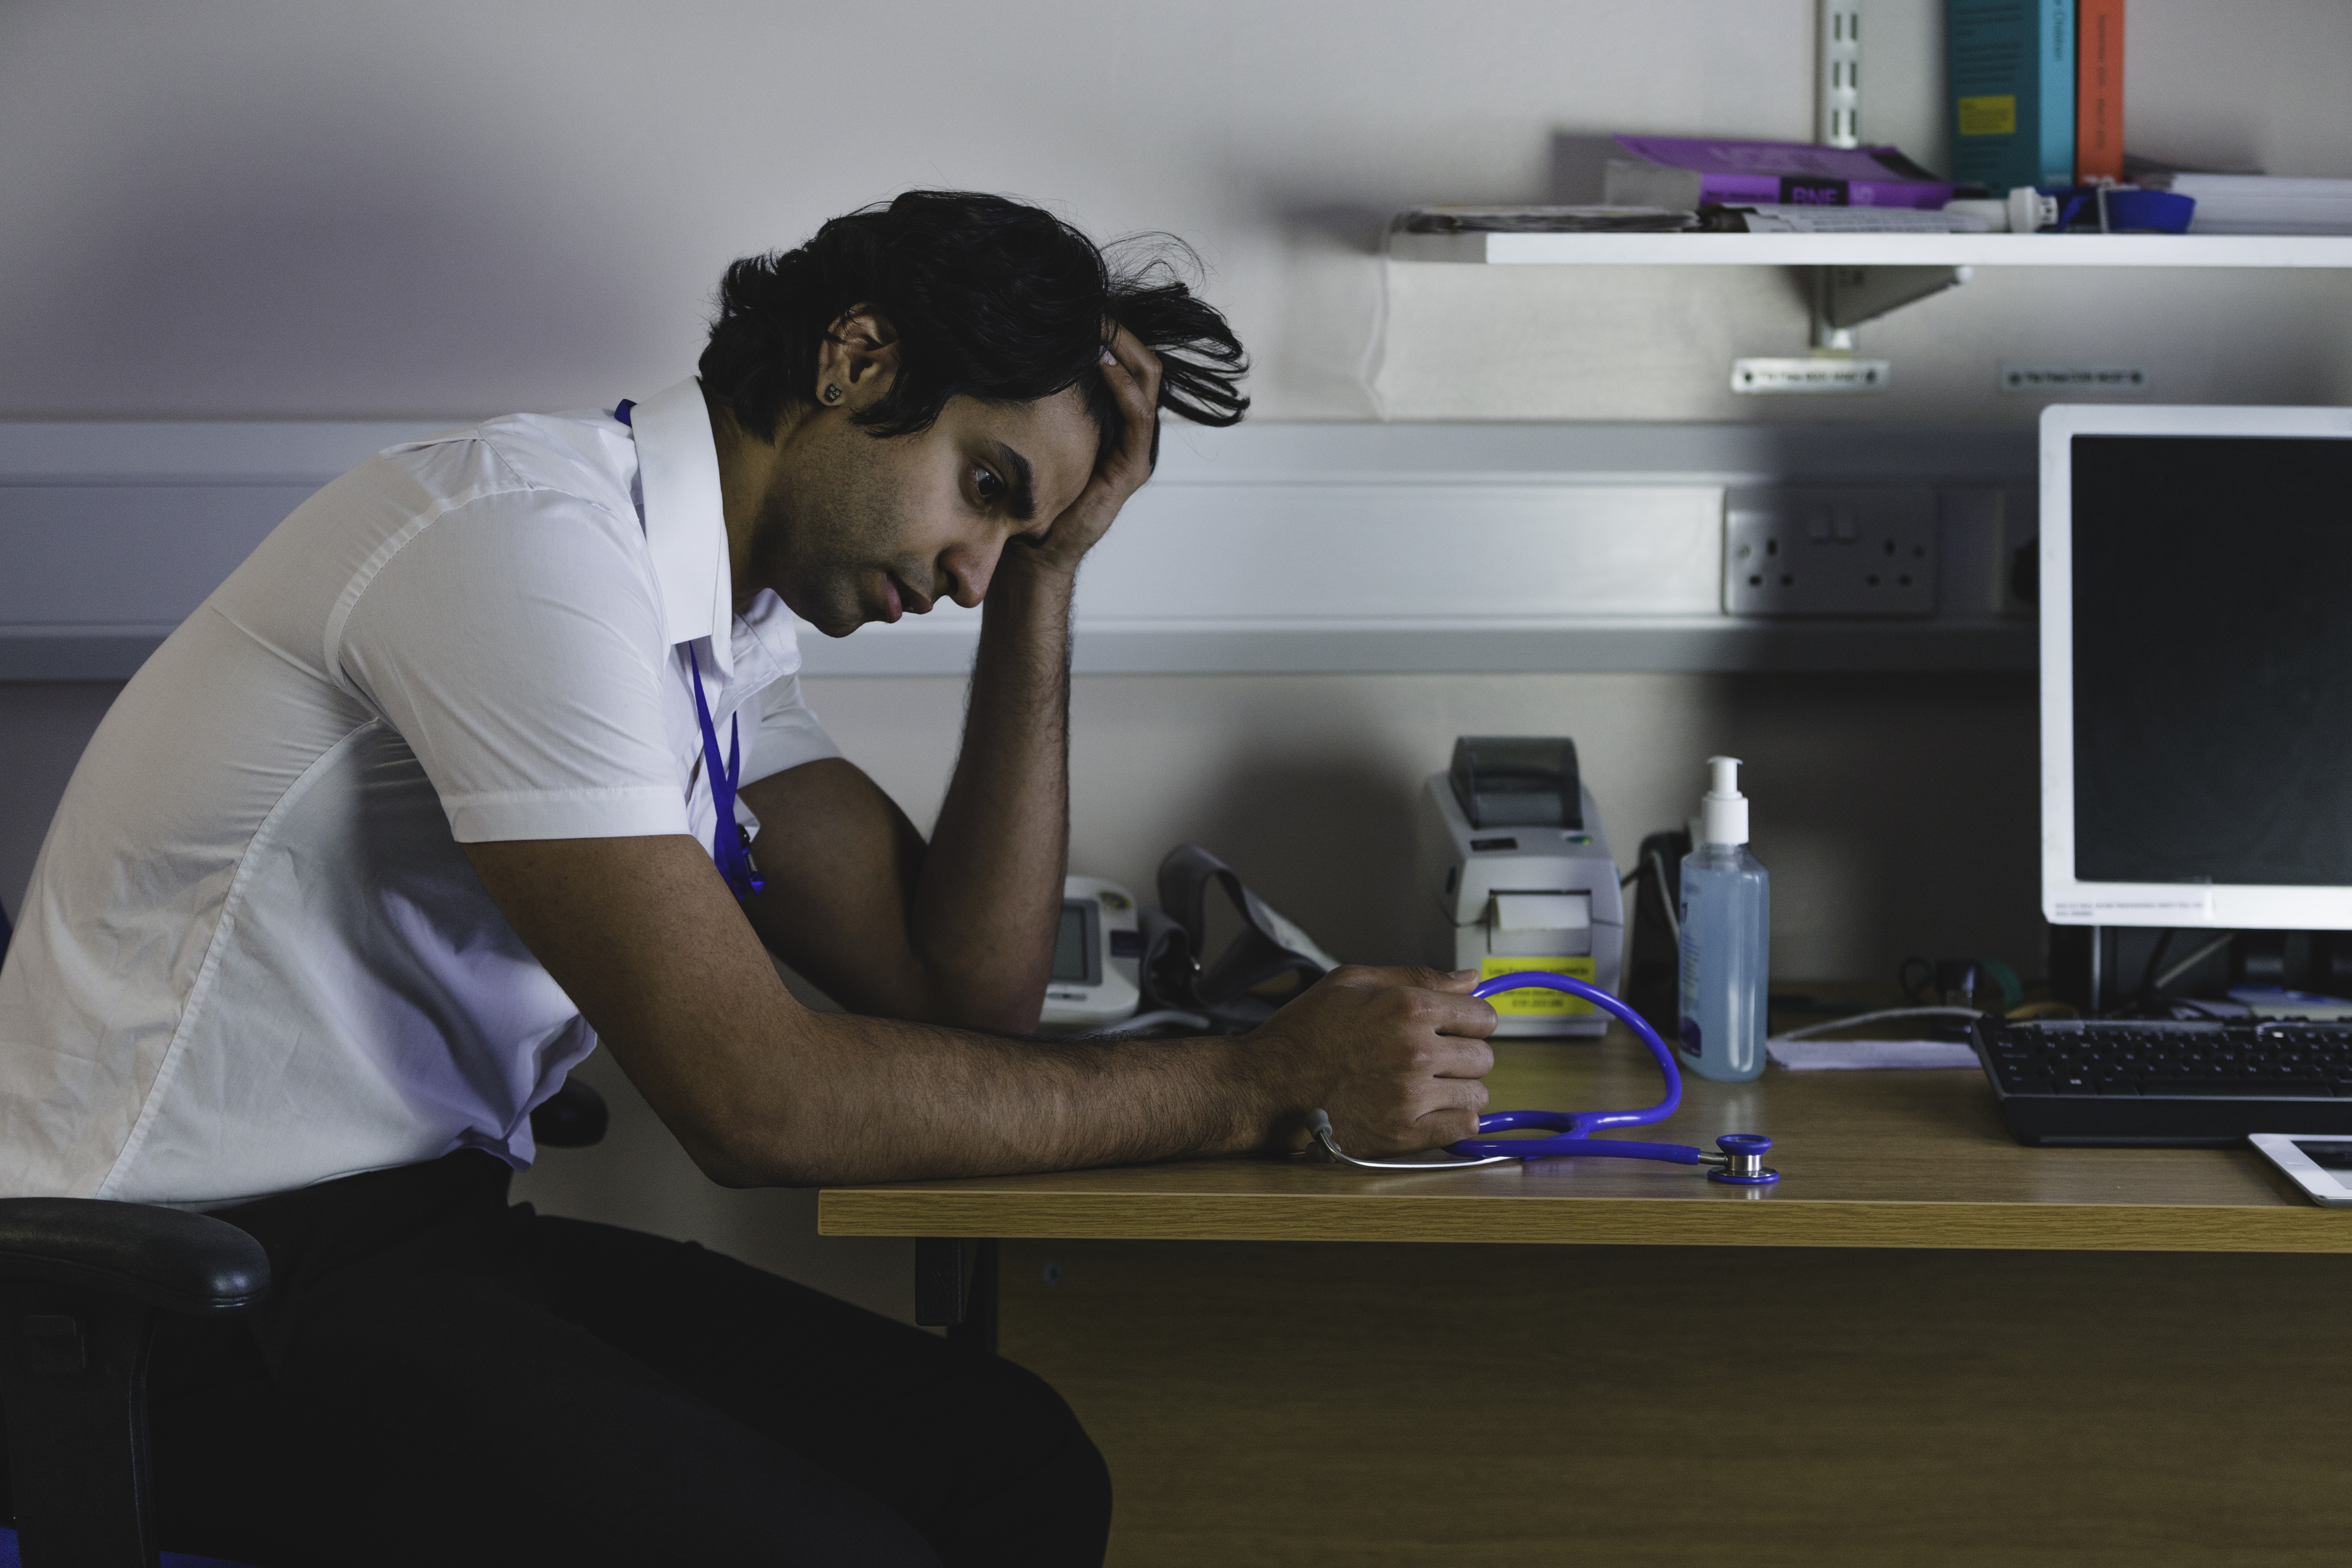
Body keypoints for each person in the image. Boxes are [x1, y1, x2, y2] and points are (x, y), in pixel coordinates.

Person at [0, 191, 1498, 1565]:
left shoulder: (717, 637)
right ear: (854, 358)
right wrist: (1257, 1080)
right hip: (155, 1306)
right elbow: (755, 1103)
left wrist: (1045, 578)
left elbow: (964, 996)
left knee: (1013, 1466)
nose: (970, 566)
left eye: (1012, 528)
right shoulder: (519, 550)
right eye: (980, 487)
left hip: (404, 1251)